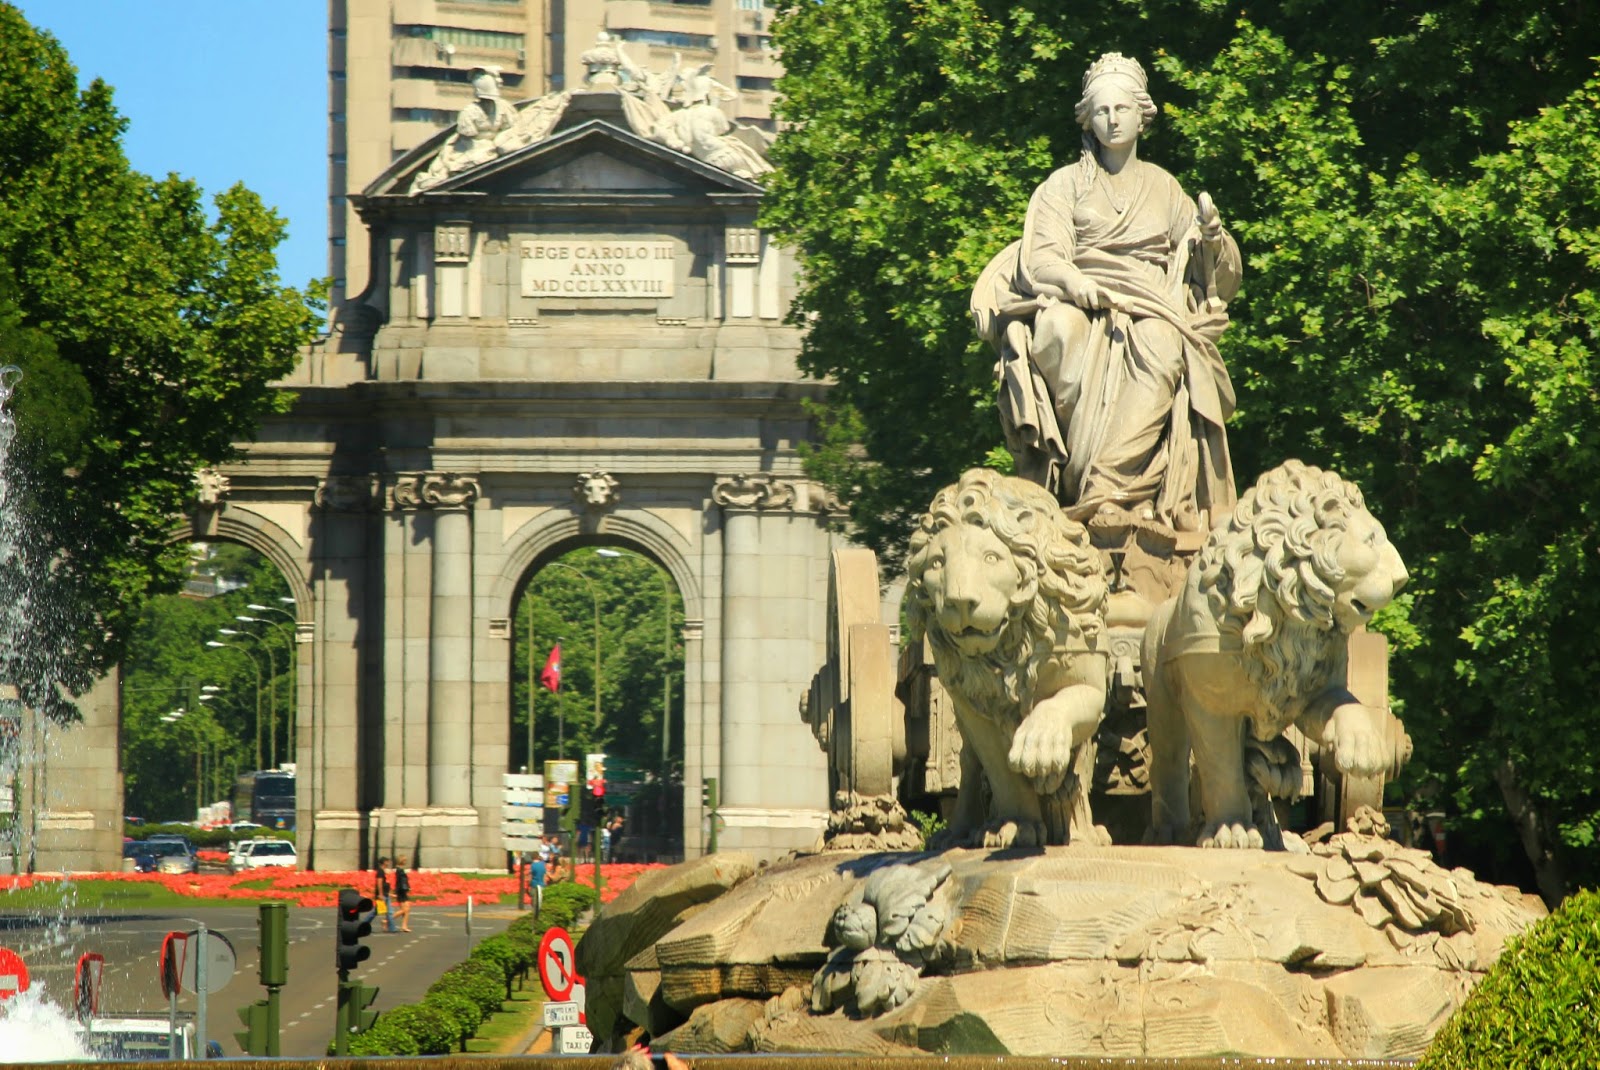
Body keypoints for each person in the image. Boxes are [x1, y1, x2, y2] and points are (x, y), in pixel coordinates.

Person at [972, 52, 1243, 532]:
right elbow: (1042, 258)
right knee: (1056, 329)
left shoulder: (1165, 188)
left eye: (1122, 109)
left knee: (1162, 344)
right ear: (1088, 119)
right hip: (1081, 296)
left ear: (1142, 116)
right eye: (1102, 110)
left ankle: (1106, 487)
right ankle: (1076, 477)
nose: (1113, 119)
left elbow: (1209, 271)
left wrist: (1215, 237)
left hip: (1153, 304)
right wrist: (1078, 283)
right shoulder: (1063, 185)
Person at [375, 857, 396, 933]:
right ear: (384, 862)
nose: (388, 863)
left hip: (385, 894)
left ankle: (392, 928)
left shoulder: (382, 871)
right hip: (382, 895)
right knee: (375, 912)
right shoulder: (380, 871)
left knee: (389, 912)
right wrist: (380, 894)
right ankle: (364, 923)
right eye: (387, 862)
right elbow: (379, 883)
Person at [393, 855, 412, 933]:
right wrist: (406, 888)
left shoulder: (399, 870)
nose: (405, 862)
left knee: (406, 910)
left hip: (401, 891)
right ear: (401, 861)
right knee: (404, 910)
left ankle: (404, 926)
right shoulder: (400, 871)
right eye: (404, 860)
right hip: (402, 892)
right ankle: (387, 920)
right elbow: (401, 882)